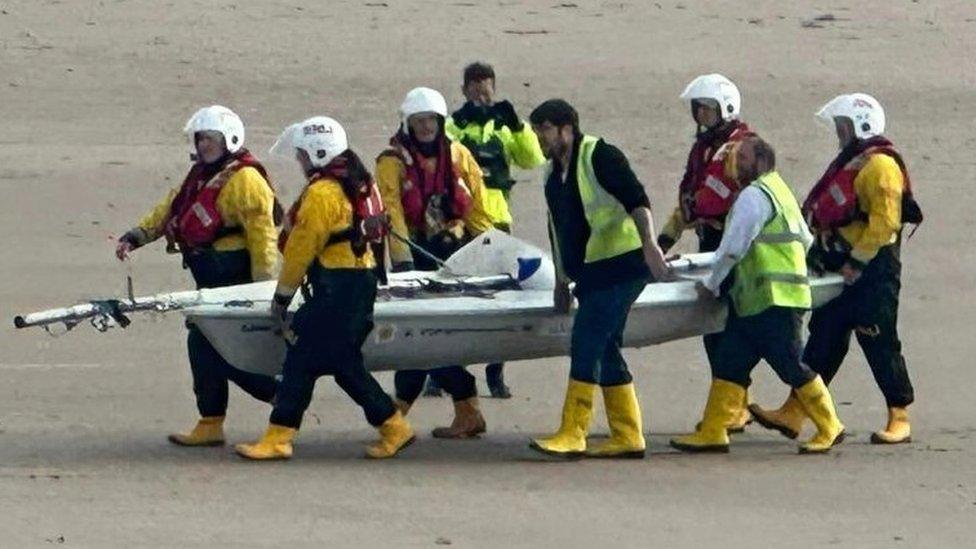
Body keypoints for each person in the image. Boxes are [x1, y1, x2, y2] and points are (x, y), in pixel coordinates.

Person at [235, 116, 414, 460]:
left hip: (337, 289)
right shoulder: (361, 184)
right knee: (329, 363)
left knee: (309, 359)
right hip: (361, 284)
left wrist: (282, 295)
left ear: (317, 153)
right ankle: (391, 426)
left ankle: (281, 437)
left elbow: (302, 247)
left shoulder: (321, 193)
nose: (300, 162)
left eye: (302, 155)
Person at [750, 93, 921, 445]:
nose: (838, 134)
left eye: (842, 127)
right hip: (837, 266)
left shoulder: (880, 168)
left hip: (873, 270)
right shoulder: (853, 162)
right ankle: (795, 410)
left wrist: (856, 263)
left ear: (860, 126)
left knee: (878, 340)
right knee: (824, 336)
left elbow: (885, 223)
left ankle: (899, 413)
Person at [115, 105, 280, 447]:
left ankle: (280, 397)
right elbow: (169, 209)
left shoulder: (246, 180)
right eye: (201, 138)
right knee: (203, 346)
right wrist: (136, 236)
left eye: (211, 138)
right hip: (209, 277)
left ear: (229, 139)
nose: (204, 144)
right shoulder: (200, 177)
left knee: (212, 347)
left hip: (234, 279)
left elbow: (263, 238)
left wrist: (265, 289)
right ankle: (211, 421)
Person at [669, 136, 846, 454]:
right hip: (763, 300)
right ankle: (713, 430)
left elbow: (732, 249)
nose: (735, 165)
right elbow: (804, 239)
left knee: (791, 364)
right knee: (730, 363)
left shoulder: (753, 197)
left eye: (742, 158)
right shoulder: (779, 190)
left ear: (761, 162)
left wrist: (710, 285)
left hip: (772, 300)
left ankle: (830, 425)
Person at [527, 99, 671, 459]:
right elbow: (557, 231)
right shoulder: (551, 176)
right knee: (605, 347)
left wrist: (651, 245)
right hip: (590, 273)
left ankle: (573, 431)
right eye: (536, 131)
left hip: (624, 266)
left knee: (587, 339)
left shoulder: (600, 155)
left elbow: (637, 199)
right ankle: (628, 435)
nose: (539, 138)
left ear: (566, 129)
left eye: (544, 130)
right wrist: (560, 282)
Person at [376, 87, 493, 438]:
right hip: (414, 254)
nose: (426, 127)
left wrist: (493, 248)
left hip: (454, 255)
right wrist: (402, 261)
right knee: (419, 337)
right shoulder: (391, 160)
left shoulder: (459, 154)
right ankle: (456, 408)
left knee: (426, 338)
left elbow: (476, 207)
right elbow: (392, 209)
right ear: (407, 123)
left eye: (431, 120)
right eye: (419, 121)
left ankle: (399, 415)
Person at [440, 61, 546, 399]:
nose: (480, 93)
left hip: (498, 217)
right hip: (459, 217)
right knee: (451, 286)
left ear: (494, 88)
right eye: (474, 87)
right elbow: (442, 155)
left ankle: (495, 372)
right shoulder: (454, 125)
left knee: (502, 292)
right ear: (464, 90)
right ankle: (441, 369)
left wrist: (517, 126)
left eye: (486, 87)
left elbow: (532, 158)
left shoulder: (506, 126)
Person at [658, 74, 757, 434]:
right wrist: (662, 243)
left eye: (704, 109)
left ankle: (734, 406)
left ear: (722, 109)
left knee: (729, 330)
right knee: (715, 330)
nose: (698, 116)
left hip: (735, 249)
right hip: (711, 243)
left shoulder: (739, 151)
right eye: (696, 109)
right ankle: (732, 405)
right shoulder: (705, 150)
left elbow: (732, 201)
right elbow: (690, 204)